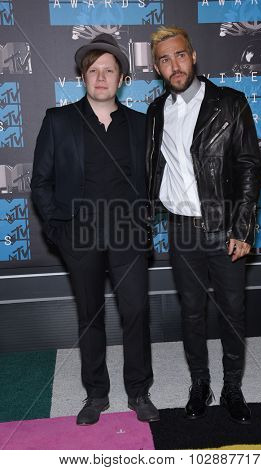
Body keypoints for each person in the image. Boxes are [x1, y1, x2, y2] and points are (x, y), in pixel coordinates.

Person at [31, 33, 159, 425]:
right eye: (93, 71)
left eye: (109, 70)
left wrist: (144, 221)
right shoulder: (59, 121)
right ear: (83, 78)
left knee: (136, 313)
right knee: (90, 317)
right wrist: (59, 234)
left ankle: (139, 392)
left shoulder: (142, 126)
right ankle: (96, 394)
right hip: (79, 238)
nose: (100, 77)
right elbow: (41, 183)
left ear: (122, 79)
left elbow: (155, 180)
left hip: (128, 237)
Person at [146, 26, 261, 423]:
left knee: (232, 311)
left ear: (193, 55)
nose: (174, 65)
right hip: (181, 230)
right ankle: (200, 384)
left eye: (179, 55)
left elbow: (248, 167)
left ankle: (232, 387)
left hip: (224, 228)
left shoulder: (230, 104)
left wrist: (243, 229)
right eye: (164, 59)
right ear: (157, 67)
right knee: (191, 312)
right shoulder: (156, 112)